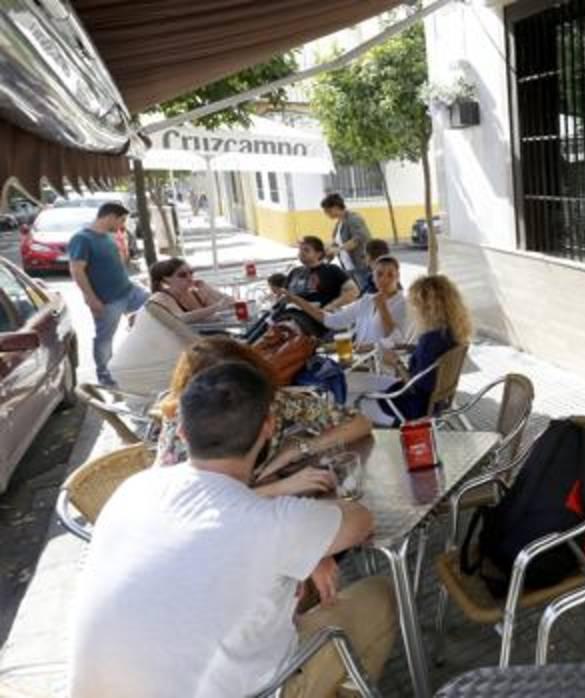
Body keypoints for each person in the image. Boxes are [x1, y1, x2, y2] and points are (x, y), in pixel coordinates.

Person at [69, 362, 396, 698]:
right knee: (378, 597)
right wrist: (305, 528)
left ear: (181, 431)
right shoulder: (271, 522)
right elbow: (361, 521)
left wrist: (297, 536)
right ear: (269, 427)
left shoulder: (132, 490)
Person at [155, 337, 373, 490]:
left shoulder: (272, 402)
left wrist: (297, 450)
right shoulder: (182, 425)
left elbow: (358, 422)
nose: (233, 395)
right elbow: (188, 506)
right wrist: (277, 489)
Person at [356, 275, 470, 426]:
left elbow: (415, 388)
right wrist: (411, 348)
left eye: (414, 305)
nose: (412, 310)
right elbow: (432, 363)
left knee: (356, 400)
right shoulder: (450, 334)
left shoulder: (429, 342)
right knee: (359, 382)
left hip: (413, 409)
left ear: (427, 308)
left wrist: (396, 363)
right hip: (437, 403)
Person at [69, 202, 149, 386]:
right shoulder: (82, 239)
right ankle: (105, 376)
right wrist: (91, 298)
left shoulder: (107, 236)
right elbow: (77, 270)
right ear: (111, 216)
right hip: (108, 300)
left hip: (129, 290)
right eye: (122, 220)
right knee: (105, 339)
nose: (122, 225)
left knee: (157, 306)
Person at [279, 255, 410, 350]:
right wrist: (296, 300)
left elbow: (397, 340)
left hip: (387, 366)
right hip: (363, 361)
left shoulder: (403, 303)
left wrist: (382, 308)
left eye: (390, 275)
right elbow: (332, 321)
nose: (384, 279)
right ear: (373, 277)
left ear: (398, 277)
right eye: (379, 274)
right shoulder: (367, 300)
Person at [146, 257, 232, 324]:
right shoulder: (161, 297)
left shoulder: (195, 293)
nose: (189, 278)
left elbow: (230, 304)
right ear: (166, 279)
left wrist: (209, 289)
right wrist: (216, 307)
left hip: (209, 336)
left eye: (191, 273)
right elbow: (181, 318)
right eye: (182, 275)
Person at [286, 235, 359, 313]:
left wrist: (331, 306)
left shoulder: (331, 270)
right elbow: (285, 295)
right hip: (292, 314)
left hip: (318, 315)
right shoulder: (294, 272)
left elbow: (353, 291)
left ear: (319, 254)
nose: (301, 253)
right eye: (300, 250)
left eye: (306, 250)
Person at [322, 193, 372, 290]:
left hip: (361, 265)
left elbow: (358, 239)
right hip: (348, 267)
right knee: (357, 294)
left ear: (336, 207)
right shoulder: (339, 223)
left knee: (367, 293)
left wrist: (338, 249)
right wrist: (327, 252)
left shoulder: (353, 219)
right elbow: (337, 244)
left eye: (327, 211)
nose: (326, 214)